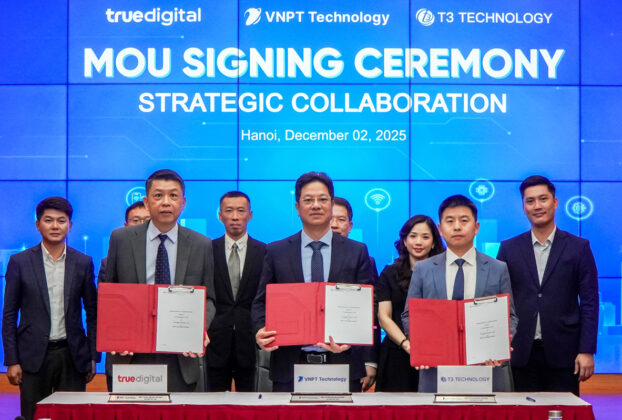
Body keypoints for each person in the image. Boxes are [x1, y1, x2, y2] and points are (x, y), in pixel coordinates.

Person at [252, 172, 373, 392]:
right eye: (308, 200)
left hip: (343, 363)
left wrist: (352, 338)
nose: (316, 205)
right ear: (297, 207)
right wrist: (261, 329)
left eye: (322, 199)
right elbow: (261, 302)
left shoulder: (356, 251)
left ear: (331, 204)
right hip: (290, 366)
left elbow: (368, 304)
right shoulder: (276, 251)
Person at [103, 169, 215, 392]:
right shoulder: (121, 239)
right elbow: (110, 294)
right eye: (158, 195)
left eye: (173, 195)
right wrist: (115, 334)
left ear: (183, 203)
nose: (166, 202)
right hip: (130, 354)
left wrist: (198, 328)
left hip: (180, 355)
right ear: (146, 202)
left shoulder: (201, 244)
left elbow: (209, 299)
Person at [401, 194, 517, 392]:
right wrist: (423, 346)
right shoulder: (423, 269)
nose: (457, 227)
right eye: (450, 221)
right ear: (440, 229)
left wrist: (501, 343)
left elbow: (510, 316)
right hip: (436, 370)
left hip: (488, 368)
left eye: (464, 220)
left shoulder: (498, 268)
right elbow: (409, 314)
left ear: (476, 227)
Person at [496, 175, 598, 395]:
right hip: (520, 352)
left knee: (562, 410)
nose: (537, 206)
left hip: (565, 353)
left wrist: (587, 350)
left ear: (555, 202)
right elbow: (499, 301)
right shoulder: (509, 249)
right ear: (523, 207)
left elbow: (590, 301)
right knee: (522, 411)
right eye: (530, 201)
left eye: (543, 199)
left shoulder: (579, 247)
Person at [2, 197, 98, 420]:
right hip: (32, 357)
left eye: (61, 221)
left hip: (72, 356)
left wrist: (93, 356)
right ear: (38, 224)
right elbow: (9, 314)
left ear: (70, 225)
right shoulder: (19, 262)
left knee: (72, 416)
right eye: (48, 220)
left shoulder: (83, 262)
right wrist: (12, 360)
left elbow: (93, 313)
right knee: (34, 416)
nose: (55, 226)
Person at [375, 215, 444, 391]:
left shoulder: (444, 274)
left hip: (436, 354)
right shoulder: (390, 273)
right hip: (397, 353)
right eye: (413, 236)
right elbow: (384, 317)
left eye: (425, 237)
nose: (418, 242)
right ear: (405, 241)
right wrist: (406, 344)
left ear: (434, 242)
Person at [206, 191, 266, 391]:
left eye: (240, 211)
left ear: (250, 215)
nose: (234, 217)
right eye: (229, 211)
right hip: (215, 340)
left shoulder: (264, 251)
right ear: (220, 215)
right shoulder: (207, 249)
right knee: (214, 401)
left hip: (250, 339)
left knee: (249, 401)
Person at [97, 200, 150, 391]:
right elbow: (105, 308)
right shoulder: (109, 262)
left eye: (147, 220)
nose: (142, 225)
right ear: (126, 225)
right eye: (136, 220)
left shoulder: (167, 259)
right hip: (122, 352)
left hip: (162, 355)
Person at [330, 196, 378, 391]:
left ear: (350, 226)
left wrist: (369, 360)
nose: (334, 225)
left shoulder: (363, 257)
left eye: (341, 220)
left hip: (350, 357)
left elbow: (371, 311)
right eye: (330, 218)